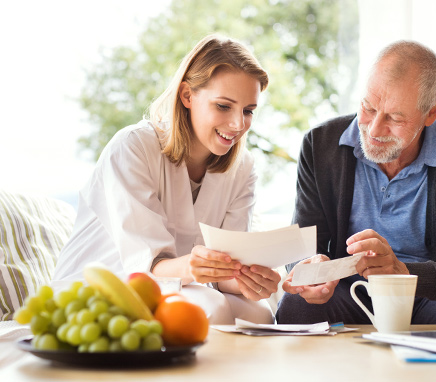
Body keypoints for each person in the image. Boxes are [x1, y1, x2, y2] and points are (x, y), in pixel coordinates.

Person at [276, 40, 436, 332]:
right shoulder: (320, 145)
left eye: (394, 117)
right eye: (368, 108)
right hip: (354, 293)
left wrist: (403, 273)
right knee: (295, 308)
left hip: (433, 296)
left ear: (431, 112)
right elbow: (302, 248)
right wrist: (311, 272)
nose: (374, 129)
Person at [53, 34, 281, 324]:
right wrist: (198, 268)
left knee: (260, 314)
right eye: (223, 106)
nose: (238, 125)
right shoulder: (132, 147)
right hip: (110, 284)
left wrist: (252, 280)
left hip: (180, 286)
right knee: (210, 307)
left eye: (248, 111)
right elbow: (148, 265)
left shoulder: (243, 167)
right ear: (187, 95)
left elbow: (226, 278)